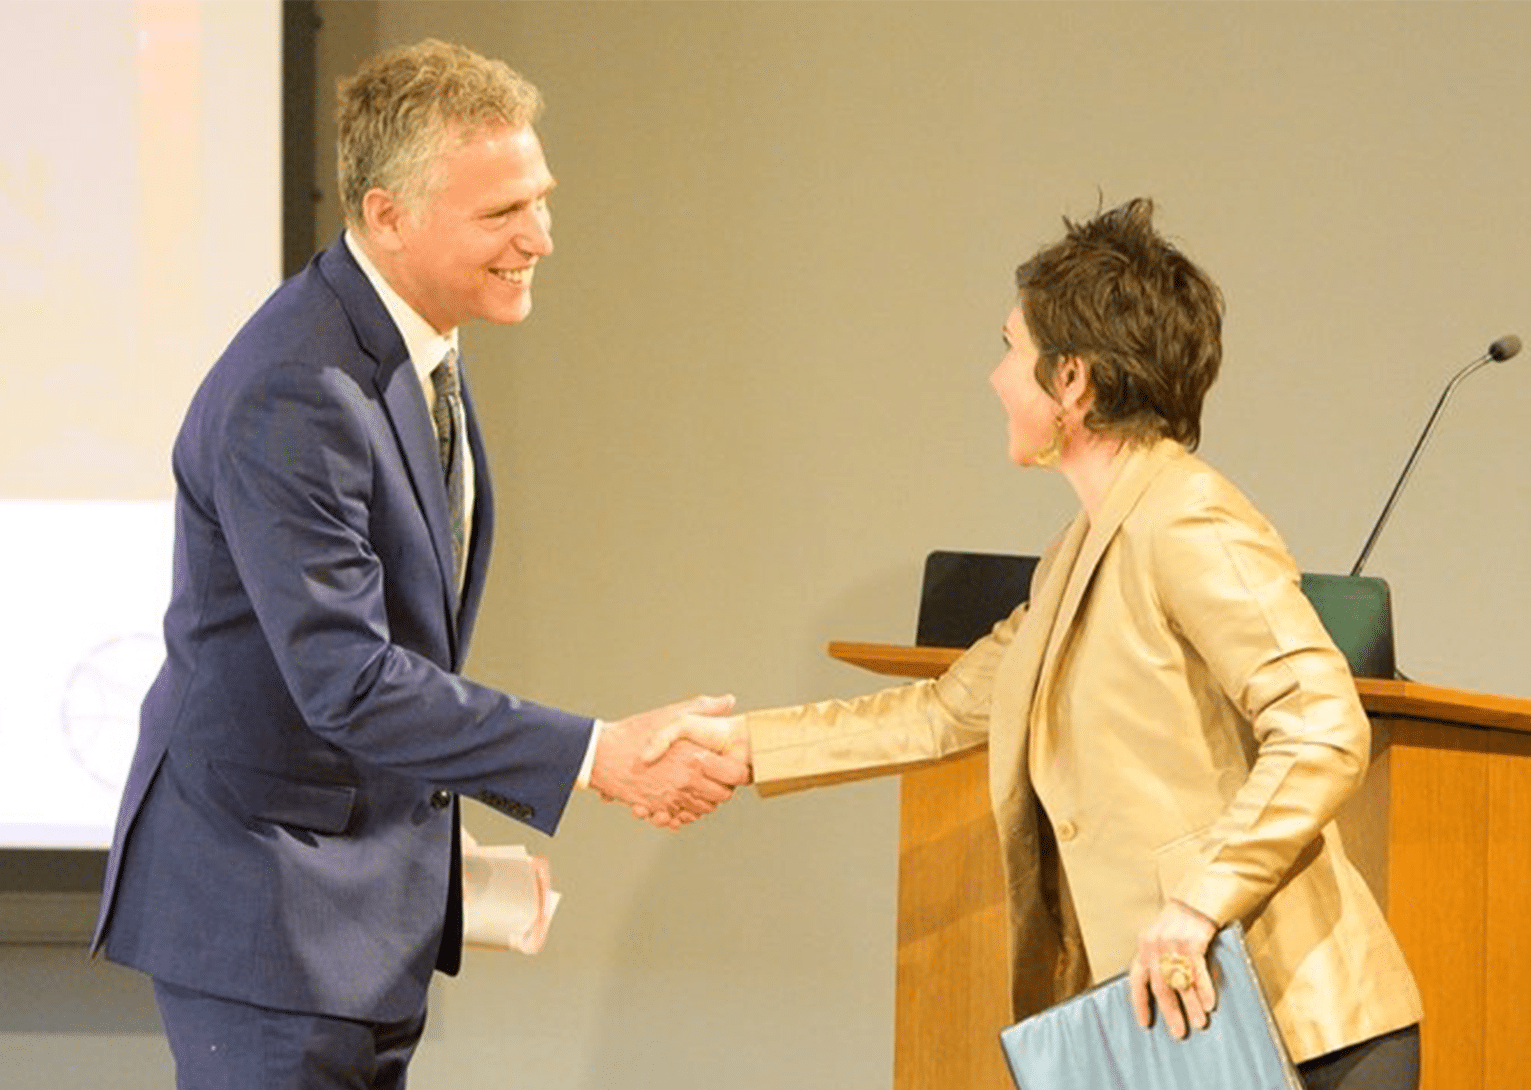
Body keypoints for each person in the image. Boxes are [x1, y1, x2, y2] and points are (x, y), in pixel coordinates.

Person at [651, 199, 1424, 1089]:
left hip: (1295, 1035)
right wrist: (741, 748)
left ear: (1073, 383)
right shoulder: (1079, 551)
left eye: (1013, 349)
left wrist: (1200, 900)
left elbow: (1323, 726)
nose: (995, 377)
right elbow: (946, 707)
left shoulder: (1188, 516)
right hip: (1184, 1033)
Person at [92, 39, 746, 1089]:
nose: (539, 236)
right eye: (501, 214)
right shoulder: (298, 389)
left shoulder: (408, 342)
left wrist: (447, 850)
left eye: (540, 198)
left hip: (351, 919)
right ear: (388, 215)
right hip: (271, 927)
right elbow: (346, 679)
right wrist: (598, 755)